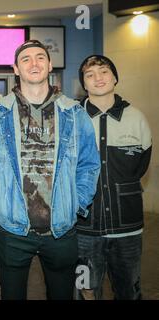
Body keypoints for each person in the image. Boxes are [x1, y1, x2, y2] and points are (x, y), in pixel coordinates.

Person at [0, 40, 101, 300]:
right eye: (26, 59)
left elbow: (89, 164)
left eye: (40, 57)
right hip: (12, 228)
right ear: (16, 69)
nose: (34, 63)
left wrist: (77, 202)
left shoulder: (75, 113)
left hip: (61, 229)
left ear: (49, 65)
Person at [75, 55, 152, 300]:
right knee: (83, 289)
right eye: (90, 74)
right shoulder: (72, 119)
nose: (98, 78)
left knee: (129, 290)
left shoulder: (137, 118)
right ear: (84, 84)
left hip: (127, 228)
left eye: (104, 71)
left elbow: (140, 167)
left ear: (115, 78)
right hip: (83, 229)